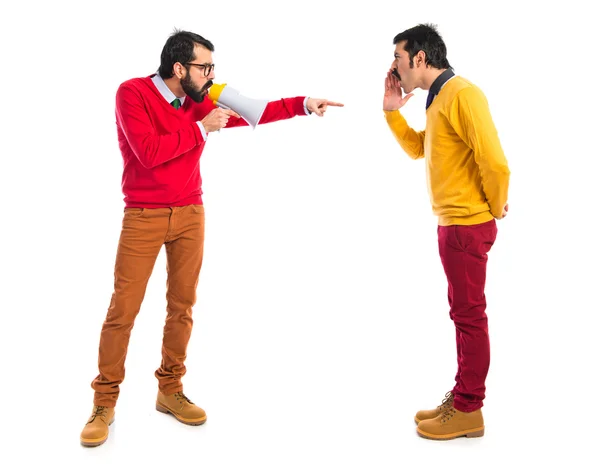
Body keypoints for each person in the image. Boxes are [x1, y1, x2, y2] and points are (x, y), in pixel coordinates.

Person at [80, 29, 343, 447]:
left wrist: (303, 106)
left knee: (181, 307)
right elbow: (148, 151)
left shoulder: (197, 101)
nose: (211, 75)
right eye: (205, 67)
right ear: (179, 67)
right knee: (123, 311)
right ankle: (104, 402)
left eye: (213, 67)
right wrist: (201, 130)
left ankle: (170, 390)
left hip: (190, 213)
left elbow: (253, 112)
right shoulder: (132, 93)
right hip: (143, 216)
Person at [383, 23, 510, 440]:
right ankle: (461, 397)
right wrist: (391, 111)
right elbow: (421, 148)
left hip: (467, 225)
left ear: (420, 58)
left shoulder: (462, 94)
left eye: (398, 58)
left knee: (470, 317)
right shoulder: (438, 99)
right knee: (462, 315)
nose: (394, 67)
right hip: (453, 224)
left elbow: (494, 162)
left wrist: (491, 209)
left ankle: (470, 408)